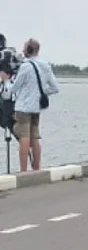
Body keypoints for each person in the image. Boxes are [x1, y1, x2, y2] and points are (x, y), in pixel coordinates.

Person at [10, 38, 60, 172]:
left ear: (29, 49)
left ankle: (23, 170)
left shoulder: (25, 66)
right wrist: (41, 92)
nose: (23, 50)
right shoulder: (45, 65)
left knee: (24, 137)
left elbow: (14, 88)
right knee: (35, 138)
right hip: (36, 108)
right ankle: (36, 169)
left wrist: (5, 82)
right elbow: (55, 88)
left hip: (23, 107)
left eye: (25, 47)